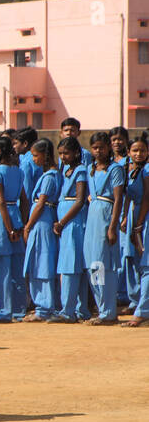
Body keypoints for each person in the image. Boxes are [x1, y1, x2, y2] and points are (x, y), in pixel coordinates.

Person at [83, 133, 124, 325]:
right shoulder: (90, 168)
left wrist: (112, 227)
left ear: (108, 147)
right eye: (94, 148)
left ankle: (108, 311)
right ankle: (101, 309)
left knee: (104, 264)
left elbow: (118, 199)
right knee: (93, 264)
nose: (98, 151)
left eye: (101, 147)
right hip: (92, 216)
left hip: (106, 215)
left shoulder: (115, 169)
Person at [0, 137, 27, 323]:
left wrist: (9, 228)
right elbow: (24, 199)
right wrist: (22, 224)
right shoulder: (18, 172)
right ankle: (19, 310)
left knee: (1, 267)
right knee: (17, 266)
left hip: (1, 217)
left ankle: (3, 311)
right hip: (16, 212)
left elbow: (1, 201)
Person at [21, 139, 60, 322]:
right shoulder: (52, 175)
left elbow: (41, 203)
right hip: (43, 220)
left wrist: (28, 225)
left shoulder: (50, 177)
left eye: (36, 155)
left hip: (41, 222)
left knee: (41, 263)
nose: (34, 159)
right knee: (39, 261)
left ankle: (44, 307)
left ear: (45, 155)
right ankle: (43, 305)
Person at [52, 138, 89, 323]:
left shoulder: (80, 171)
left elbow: (80, 200)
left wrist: (62, 222)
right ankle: (79, 309)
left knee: (70, 266)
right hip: (67, 224)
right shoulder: (66, 171)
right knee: (74, 265)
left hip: (73, 223)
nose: (63, 157)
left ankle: (68, 310)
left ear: (76, 153)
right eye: (60, 153)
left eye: (66, 153)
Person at [122, 135, 149, 327]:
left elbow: (147, 197)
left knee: (146, 264)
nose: (138, 154)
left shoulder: (147, 170)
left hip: (144, 218)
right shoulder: (132, 171)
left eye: (142, 150)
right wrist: (126, 218)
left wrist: (138, 224)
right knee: (134, 261)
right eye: (135, 150)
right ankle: (139, 303)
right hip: (135, 216)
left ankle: (143, 310)